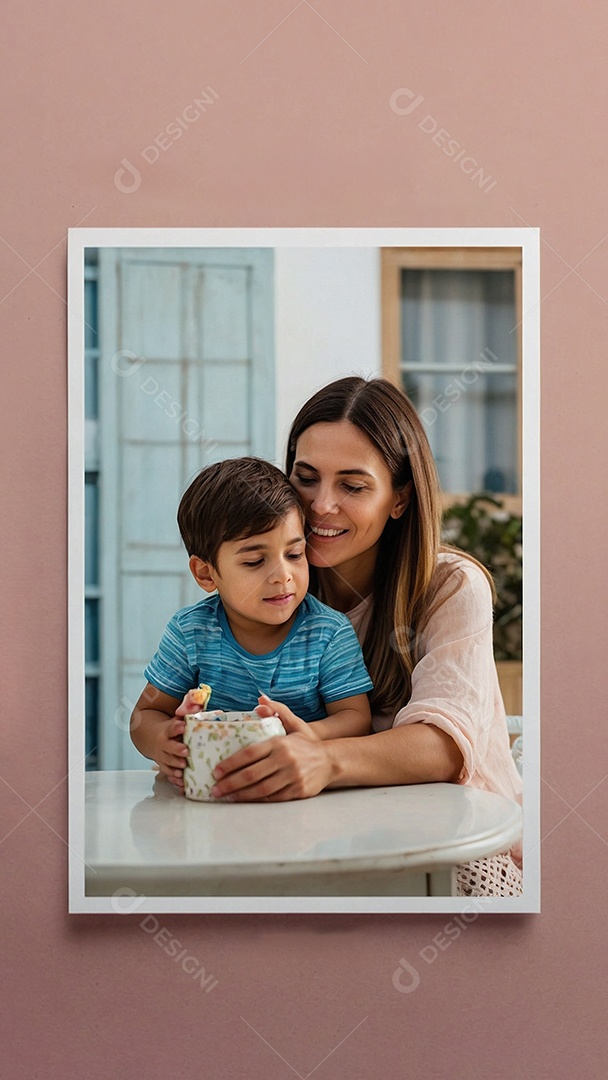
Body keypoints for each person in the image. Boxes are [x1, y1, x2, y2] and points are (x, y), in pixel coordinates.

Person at [178, 376, 524, 898]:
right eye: (306, 477)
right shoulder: (275, 587)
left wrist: (325, 758)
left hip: (457, 846)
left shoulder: (449, 586)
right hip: (333, 837)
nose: (321, 505)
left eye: (353, 485)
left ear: (400, 498)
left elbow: (445, 748)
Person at [130, 457, 373, 777]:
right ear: (206, 573)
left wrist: (306, 734)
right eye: (255, 561)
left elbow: (356, 718)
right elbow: (145, 715)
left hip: (297, 795)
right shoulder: (190, 631)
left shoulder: (328, 633)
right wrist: (163, 740)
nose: (283, 575)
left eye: (295, 554)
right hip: (213, 794)